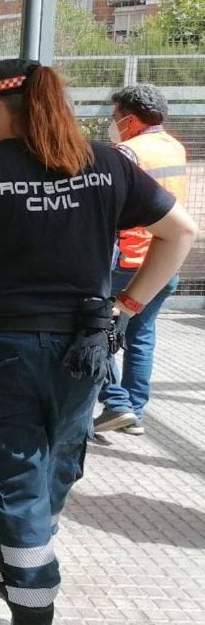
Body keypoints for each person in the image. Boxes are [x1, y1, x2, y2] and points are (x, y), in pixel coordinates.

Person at [0, 59, 197, 625]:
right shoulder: (106, 164)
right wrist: (128, 306)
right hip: (83, 347)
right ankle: (19, 556)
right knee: (56, 461)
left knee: (13, 475)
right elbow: (179, 233)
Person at [94, 84, 187, 437]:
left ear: (130, 119)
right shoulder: (175, 148)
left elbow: (110, 206)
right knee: (141, 335)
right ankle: (134, 410)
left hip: (128, 262)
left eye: (116, 117)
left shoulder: (127, 152)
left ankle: (116, 403)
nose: (114, 123)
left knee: (97, 327)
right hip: (165, 261)